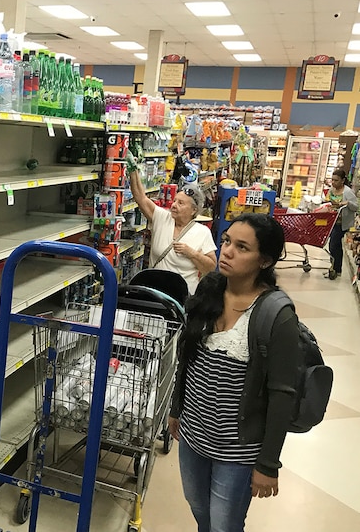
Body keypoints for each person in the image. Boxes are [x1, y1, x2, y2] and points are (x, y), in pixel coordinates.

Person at [168, 214, 303, 532]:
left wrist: (268, 463)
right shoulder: (210, 288)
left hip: (238, 449)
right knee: (198, 506)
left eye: (242, 247)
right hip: (193, 434)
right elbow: (187, 357)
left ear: (265, 260)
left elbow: (282, 393)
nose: (227, 251)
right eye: (227, 240)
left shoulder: (275, 314)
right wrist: (176, 408)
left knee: (224, 524)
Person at [128, 164, 217, 294]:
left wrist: (191, 253)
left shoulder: (202, 232)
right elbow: (141, 198)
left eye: (181, 203)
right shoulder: (162, 218)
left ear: (194, 210)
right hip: (155, 293)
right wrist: (133, 169)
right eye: (174, 201)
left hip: (183, 297)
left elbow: (210, 268)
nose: (174, 205)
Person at [323, 168, 357, 279]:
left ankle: (335, 268)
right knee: (335, 246)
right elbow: (328, 200)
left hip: (341, 222)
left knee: (333, 244)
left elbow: (356, 206)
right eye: (332, 180)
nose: (333, 182)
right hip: (331, 221)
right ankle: (336, 268)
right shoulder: (332, 190)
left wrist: (347, 202)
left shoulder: (347, 192)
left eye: (336, 180)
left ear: (342, 181)